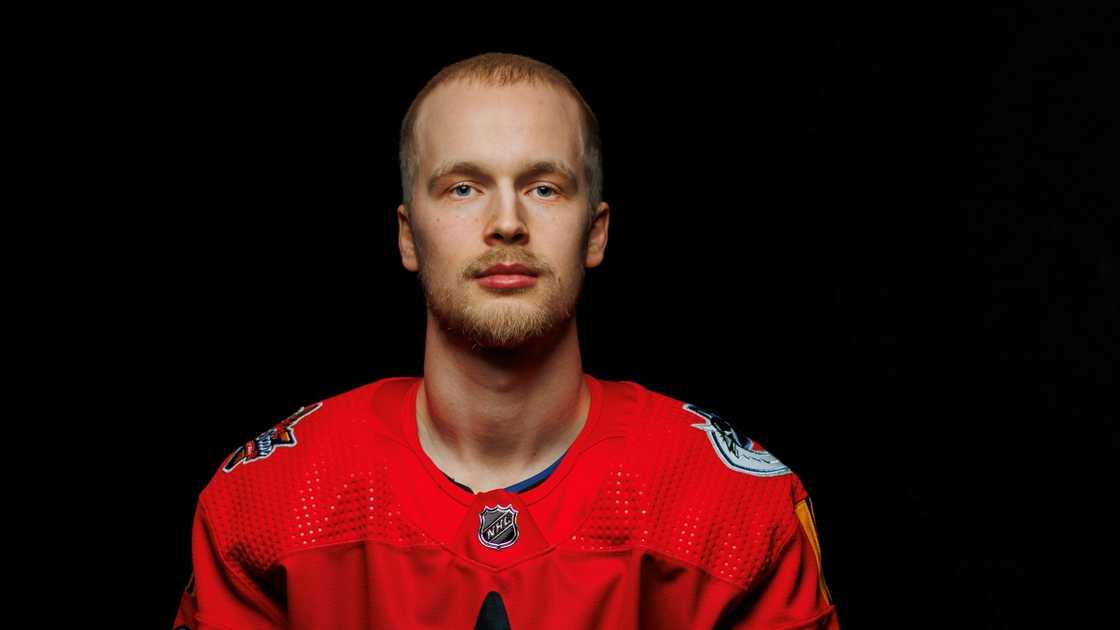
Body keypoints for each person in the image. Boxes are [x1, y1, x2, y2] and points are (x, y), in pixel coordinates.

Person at [173, 51, 839, 629]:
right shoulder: (271, 499)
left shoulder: (729, 508)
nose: (507, 223)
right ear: (409, 234)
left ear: (596, 231)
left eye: (543, 187)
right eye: (464, 187)